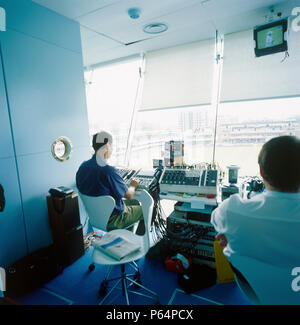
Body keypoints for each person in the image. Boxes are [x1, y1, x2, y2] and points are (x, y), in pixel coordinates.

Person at [211, 135, 300, 265]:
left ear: (261, 171)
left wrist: (232, 234)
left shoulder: (231, 211)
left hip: (254, 285)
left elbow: (216, 219)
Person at [76, 131, 145, 234]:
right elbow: (128, 195)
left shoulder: (82, 167)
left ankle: (124, 237)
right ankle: (137, 242)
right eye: (112, 146)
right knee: (146, 209)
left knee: (134, 203)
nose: (112, 149)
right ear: (107, 146)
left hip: (96, 217)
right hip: (114, 219)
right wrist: (133, 185)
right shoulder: (108, 170)